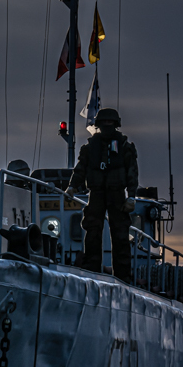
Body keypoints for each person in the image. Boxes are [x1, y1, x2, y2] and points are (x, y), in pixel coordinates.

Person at [66, 107, 138, 283]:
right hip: (96, 193)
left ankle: (123, 276)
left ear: (116, 124)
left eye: (110, 122)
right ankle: (92, 269)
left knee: (120, 234)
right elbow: (80, 169)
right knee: (92, 230)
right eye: (104, 122)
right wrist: (73, 186)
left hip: (117, 195)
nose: (107, 125)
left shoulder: (124, 147)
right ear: (98, 124)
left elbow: (132, 173)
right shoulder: (90, 148)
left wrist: (132, 196)